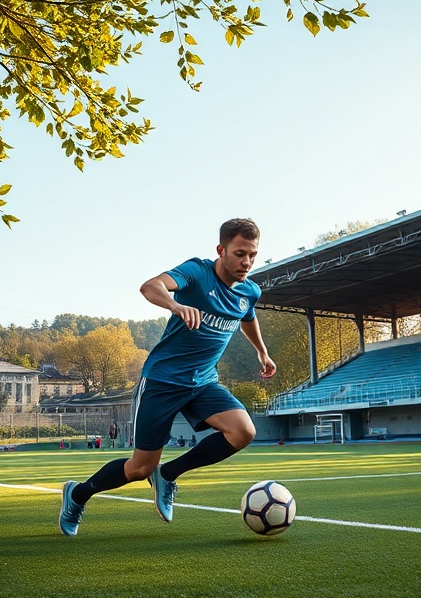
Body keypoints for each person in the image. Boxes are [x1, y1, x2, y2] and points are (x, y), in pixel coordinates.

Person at [60, 218, 276, 536]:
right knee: (139, 468)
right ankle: (77, 495)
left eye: (252, 255)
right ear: (221, 249)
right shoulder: (197, 272)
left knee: (243, 431)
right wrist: (175, 305)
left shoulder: (249, 290)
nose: (246, 262)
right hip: (163, 380)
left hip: (203, 382)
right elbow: (150, 286)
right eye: (240, 253)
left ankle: (169, 474)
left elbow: (248, 316)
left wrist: (262, 351)